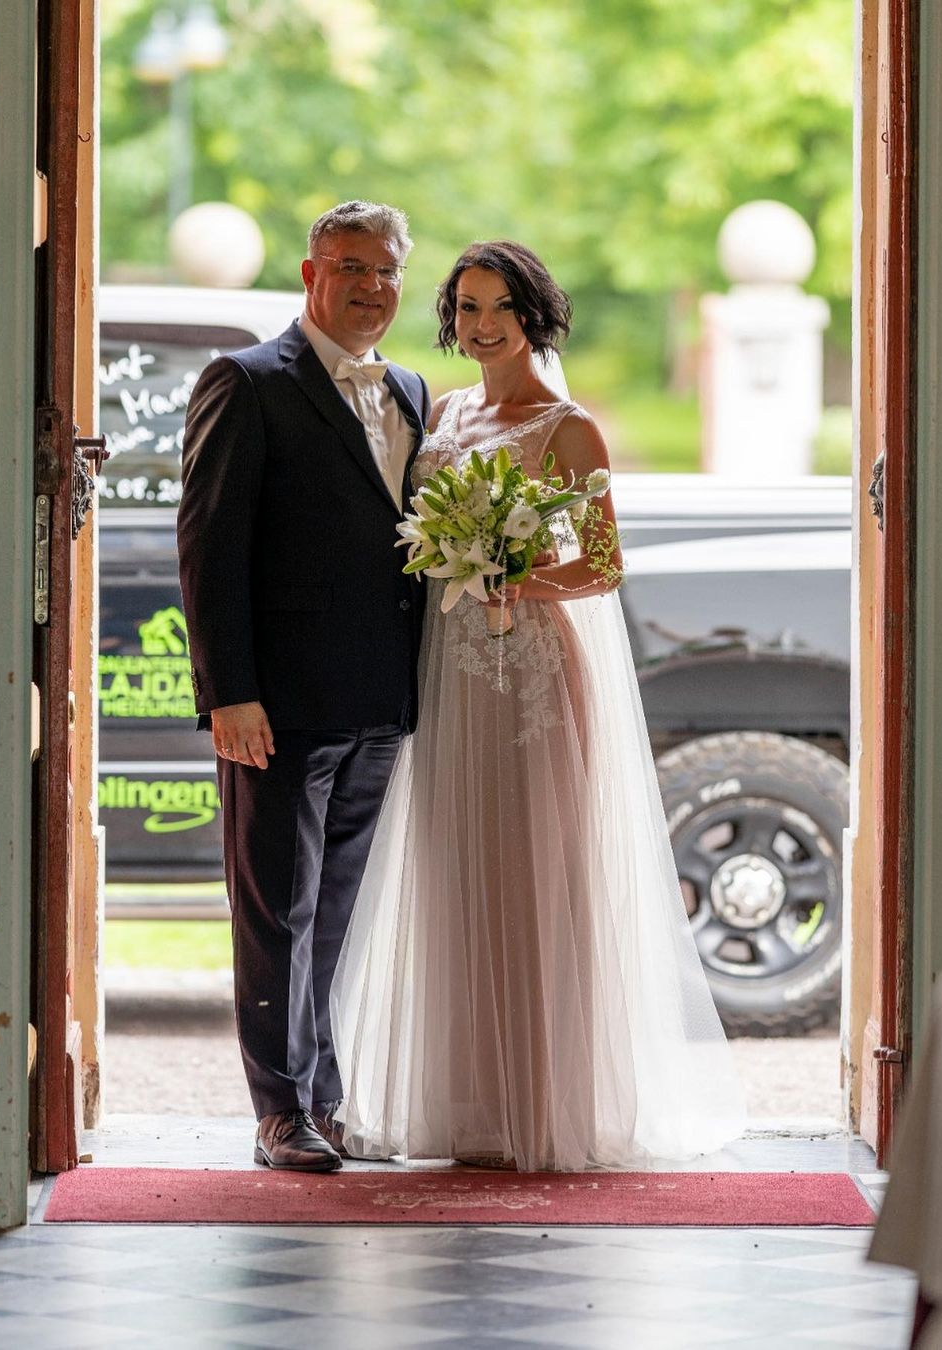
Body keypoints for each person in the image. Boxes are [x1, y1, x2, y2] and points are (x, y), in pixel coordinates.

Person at [331, 241, 746, 1170]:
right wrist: (455, 563)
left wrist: (510, 572)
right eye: (467, 309)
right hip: (447, 677)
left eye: (497, 309)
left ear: (533, 316)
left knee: (533, 876)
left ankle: (543, 1105)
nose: (480, 327)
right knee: (451, 872)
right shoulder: (443, 413)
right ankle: (466, 1104)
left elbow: (602, 564)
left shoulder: (568, 428)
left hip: (530, 679)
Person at [177, 201, 431, 1172]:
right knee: (276, 905)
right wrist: (229, 693)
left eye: (388, 271)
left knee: (344, 911)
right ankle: (276, 1111)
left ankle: (326, 1097)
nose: (372, 288)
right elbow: (209, 548)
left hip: (380, 700)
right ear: (310, 272)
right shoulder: (246, 382)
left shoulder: (409, 388)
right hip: (276, 707)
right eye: (352, 268)